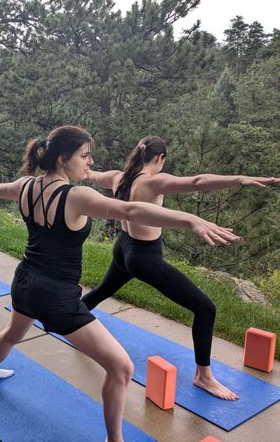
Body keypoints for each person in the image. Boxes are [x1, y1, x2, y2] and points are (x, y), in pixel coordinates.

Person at [0, 126, 241, 442]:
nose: (90, 161)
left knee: (11, 334)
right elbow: (129, 209)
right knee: (122, 368)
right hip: (56, 295)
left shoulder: (26, 185)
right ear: (62, 159)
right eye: (85, 155)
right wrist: (189, 220)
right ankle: (114, 439)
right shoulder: (76, 196)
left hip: (25, 281)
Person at [81, 135, 278, 401]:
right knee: (205, 308)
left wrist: (86, 169)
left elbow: (93, 176)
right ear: (159, 158)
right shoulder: (152, 182)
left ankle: (72, 322)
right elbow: (197, 182)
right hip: (145, 259)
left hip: (123, 248)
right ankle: (203, 376)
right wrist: (240, 179)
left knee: (103, 290)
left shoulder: (119, 178)